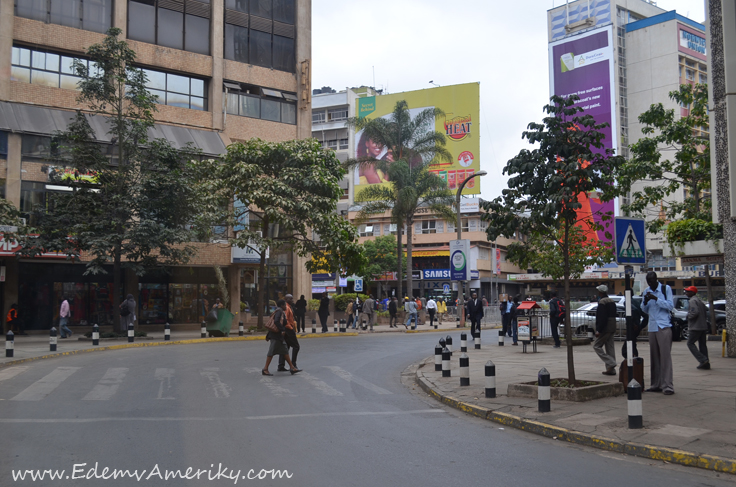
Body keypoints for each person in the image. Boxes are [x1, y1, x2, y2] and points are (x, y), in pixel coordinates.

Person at [641, 271, 675, 395]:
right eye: (648, 282)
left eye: (652, 281)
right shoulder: (646, 291)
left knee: (665, 357)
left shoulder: (665, 289)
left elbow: (670, 306)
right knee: (654, 357)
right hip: (652, 327)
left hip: (663, 326)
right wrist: (645, 301)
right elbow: (644, 309)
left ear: (656, 280)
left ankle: (668, 386)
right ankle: (656, 384)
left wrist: (656, 299)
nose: (650, 284)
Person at [262, 299, 300, 376]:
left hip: (279, 336)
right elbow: (276, 321)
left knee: (285, 351)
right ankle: (265, 369)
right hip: (276, 336)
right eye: (285, 305)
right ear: (282, 305)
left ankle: (292, 367)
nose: (286, 306)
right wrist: (282, 329)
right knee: (271, 352)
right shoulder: (279, 311)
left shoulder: (280, 311)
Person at [684, 286, 710, 370]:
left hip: (695, 327)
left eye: (688, 292)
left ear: (692, 293)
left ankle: (703, 359)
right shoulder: (700, 301)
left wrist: (688, 316)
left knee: (690, 343)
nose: (686, 293)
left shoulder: (692, 301)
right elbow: (705, 311)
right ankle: (706, 363)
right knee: (702, 345)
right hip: (703, 326)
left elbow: (694, 312)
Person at [593, 285, 617, 375]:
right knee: (610, 347)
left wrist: (598, 329)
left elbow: (602, 317)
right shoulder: (611, 301)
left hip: (606, 326)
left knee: (597, 346)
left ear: (600, 292)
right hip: (613, 325)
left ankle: (611, 363)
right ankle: (611, 369)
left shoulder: (602, 302)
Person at [278, 295, 301, 372]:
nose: (292, 300)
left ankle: (281, 365)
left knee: (285, 348)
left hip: (287, 329)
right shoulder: (286, 308)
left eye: (292, 298)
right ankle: (293, 364)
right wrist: (290, 328)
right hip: (288, 329)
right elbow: (285, 319)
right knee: (296, 346)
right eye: (290, 299)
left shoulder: (288, 307)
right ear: (285, 299)